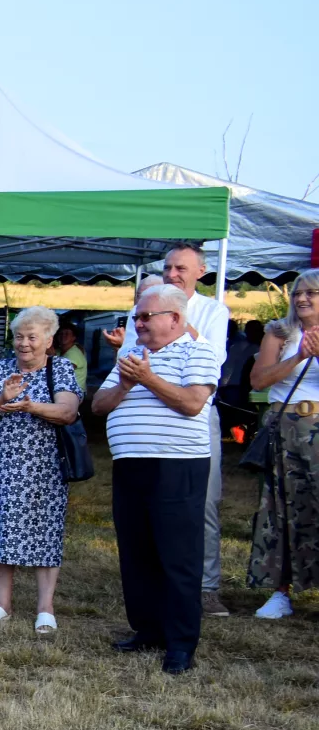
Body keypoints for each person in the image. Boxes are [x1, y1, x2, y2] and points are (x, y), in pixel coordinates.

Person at [92, 283, 220, 674]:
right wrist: (126, 383)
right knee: (137, 552)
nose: (139, 323)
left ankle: (180, 643)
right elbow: (98, 405)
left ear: (175, 318)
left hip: (176, 465)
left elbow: (192, 403)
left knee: (177, 555)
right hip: (130, 463)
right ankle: (148, 629)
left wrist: (147, 379)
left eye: (146, 316)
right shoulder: (130, 355)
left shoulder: (198, 351)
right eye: (137, 317)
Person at [109, 245, 232, 618]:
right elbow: (131, 355)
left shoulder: (212, 310)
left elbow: (212, 358)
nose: (172, 273)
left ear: (201, 272)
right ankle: (150, 604)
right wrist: (147, 319)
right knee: (141, 521)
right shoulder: (144, 307)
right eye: (167, 267)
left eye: (181, 268)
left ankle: (205, 587)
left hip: (190, 422)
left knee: (201, 504)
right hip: (137, 439)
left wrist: (173, 320)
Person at [0, 307, 81, 631]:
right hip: (3, 465)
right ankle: (2, 603)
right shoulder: (1, 368)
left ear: (48, 340)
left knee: (45, 531)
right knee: (1, 529)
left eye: (32, 337)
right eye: (19, 337)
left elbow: (68, 412)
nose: (24, 343)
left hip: (45, 467)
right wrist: (1, 397)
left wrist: (31, 406)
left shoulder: (60, 369)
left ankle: (45, 608)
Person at [246, 269, 319, 620]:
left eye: (311, 293)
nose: (302, 298)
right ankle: (281, 591)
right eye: (297, 293)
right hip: (285, 427)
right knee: (281, 509)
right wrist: (298, 356)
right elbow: (259, 380)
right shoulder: (279, 331)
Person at [54, 323, 88, 393]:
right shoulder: (58, 350)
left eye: (67, 334)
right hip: (62, 388)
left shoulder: (75, 353)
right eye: (61, 334)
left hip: (75, 391)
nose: (63, 336)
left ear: (73, 337)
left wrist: (52, 354)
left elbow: (62, 371)